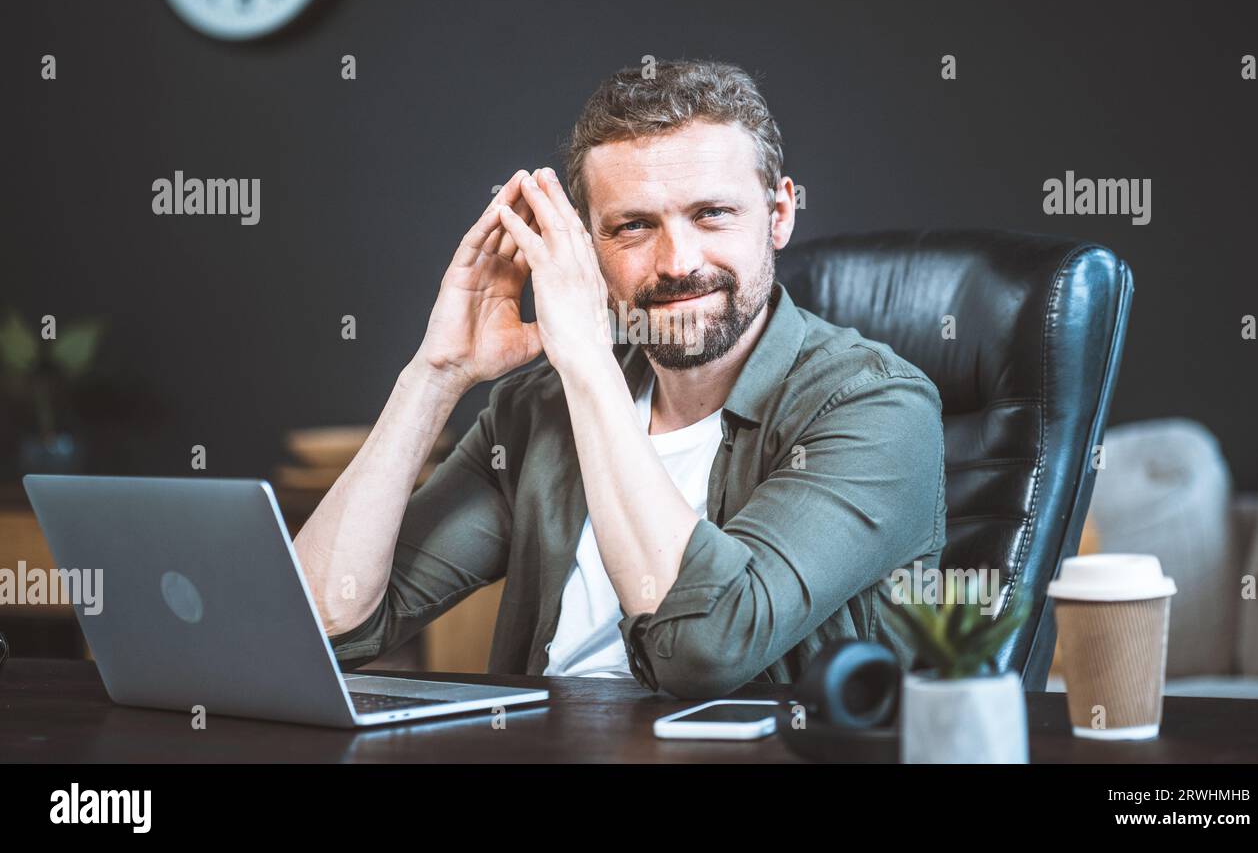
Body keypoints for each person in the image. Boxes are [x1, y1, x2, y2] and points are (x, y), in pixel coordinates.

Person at [292, 60, 947, 699]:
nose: (677, 262)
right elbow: (325, 625)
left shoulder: (878, 406)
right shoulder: (539, 409)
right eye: (633, 227)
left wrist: (584, 357)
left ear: (779, 214)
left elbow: (701, 649)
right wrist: (435, 373)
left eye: (713, 213)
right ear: (586, 248)